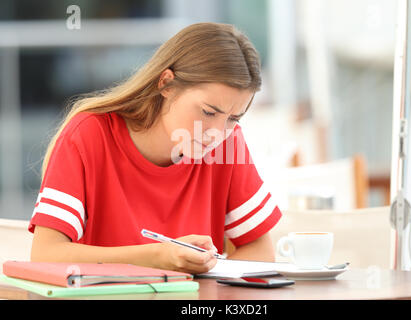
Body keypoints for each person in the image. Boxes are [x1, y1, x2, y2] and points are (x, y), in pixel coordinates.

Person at [29, 22, 282, 274]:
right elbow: (46, 255)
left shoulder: (228, 144)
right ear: (167, 85)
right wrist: (156, 256)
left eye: (233, 118)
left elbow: (260, 252)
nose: (216, 133)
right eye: (208, 111)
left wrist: (198, 275)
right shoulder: (89, 135)